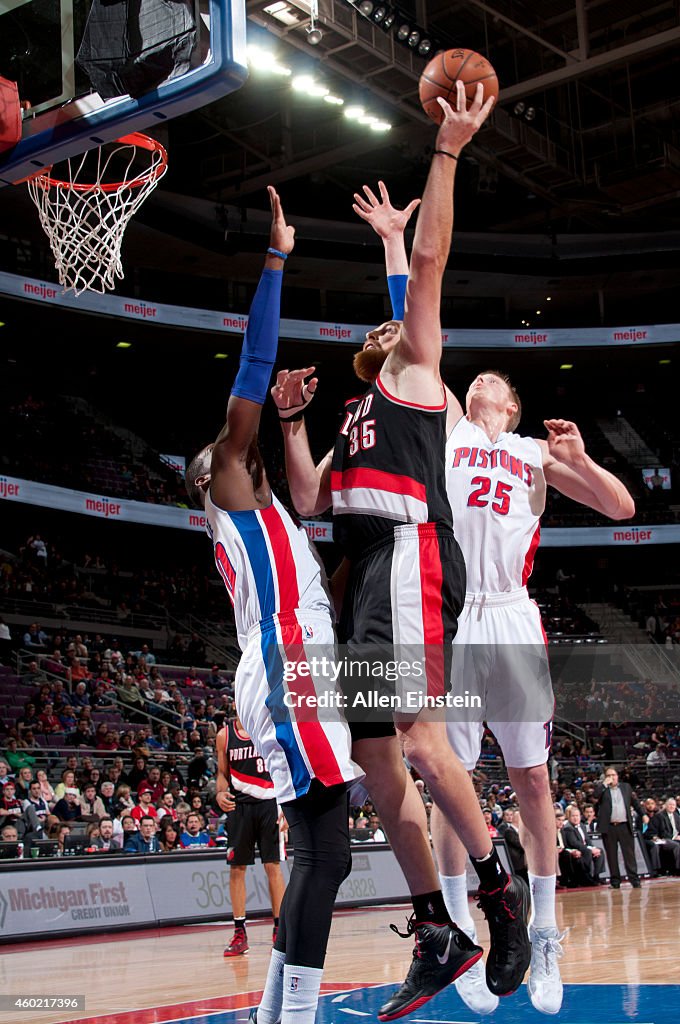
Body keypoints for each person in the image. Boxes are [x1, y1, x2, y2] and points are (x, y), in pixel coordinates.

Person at [275, 88, 534, 1019]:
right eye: (381, 329)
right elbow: (306, 500)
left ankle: (500, 890)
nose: (394, 325)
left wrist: (448, 153)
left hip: (414, 557)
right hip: (363, 579)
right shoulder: (357, 411)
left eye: (403, 324)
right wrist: (293, 423)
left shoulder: (419, 375)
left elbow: (425, 266)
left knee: (420, 738)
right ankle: (438, 925)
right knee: (376, 758)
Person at [349, 182, 635, 1017]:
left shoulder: (533, 456)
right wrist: (394, 245)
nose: (480, 387)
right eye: (473, 383)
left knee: (534, 781)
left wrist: (578, 460)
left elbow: (620, 509)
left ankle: (546, 935)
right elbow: (410, 327)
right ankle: (469, 933)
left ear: (513, 408)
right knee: (448, 781)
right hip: (447, 613)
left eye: (497, 389)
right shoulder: (443, 430)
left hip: (510, 616)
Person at [184, 188, 361, 1024]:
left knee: (329, 855)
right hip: (286, 661)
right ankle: (292, 1011)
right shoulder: (229, 489)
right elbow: (251, 372)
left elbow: (316, 489)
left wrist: (297, 421)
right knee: (325, 850)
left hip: (307, 662)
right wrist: (277, 260)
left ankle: (276, 1006)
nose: (228, 451)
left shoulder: (276, 510)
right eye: (219, 454)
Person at [217, 717, 286, 956]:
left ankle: (280, 930)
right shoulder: (225, 735)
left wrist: (287, 806)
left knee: (273, 867)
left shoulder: (270, 728)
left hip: (270, 804)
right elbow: (222, 774)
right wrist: (219, 793)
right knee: (237, 868)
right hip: (239, 806)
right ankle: (239, 932)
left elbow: (285, 768)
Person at [595, 767, 643, 889]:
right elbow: (594, 796)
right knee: (611, 855)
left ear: (617, 776)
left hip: (624, 825)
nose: (612, 777)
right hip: (609, 827)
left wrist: (644, 814)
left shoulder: (626, 787)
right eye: (609, 775)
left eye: (614, 775)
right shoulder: (603, 790)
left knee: (629, 855)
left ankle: (634, 880)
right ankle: (615, 881)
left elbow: (635, 802)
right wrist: (604, 784)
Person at [561, 805, 604, 886]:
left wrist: (593, 847)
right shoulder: (568, 828)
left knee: (600, 850)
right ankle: (586, 877)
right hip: (576, 849)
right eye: (573, 816)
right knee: (587, 851)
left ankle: (596, 876)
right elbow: (574, 843)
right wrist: (590, 849)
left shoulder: (582, 825)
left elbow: (587, 840)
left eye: (577, 816)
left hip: (584, 847)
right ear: (569, 817)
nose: (575, 818)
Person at [645, 797, 680, 874]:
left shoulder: (676, 816)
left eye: (673, 805)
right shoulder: (660, 816)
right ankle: (678, 869)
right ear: (666, 806)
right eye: (670, 805)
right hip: (664, 839)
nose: (672, 807)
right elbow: (663, 832)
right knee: (677, 846)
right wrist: (674, 837)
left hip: (675, 838)